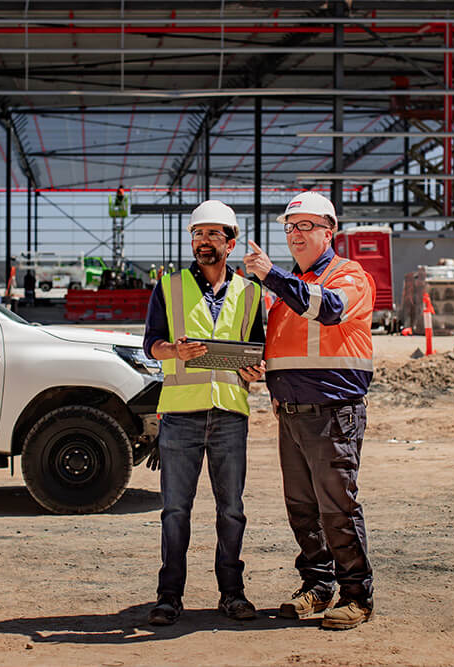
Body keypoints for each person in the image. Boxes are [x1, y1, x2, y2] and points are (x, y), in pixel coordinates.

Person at [242, 190, 376, 630]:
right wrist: (259, 369)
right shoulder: (282, 293)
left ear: (329, 231)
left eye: (306, 227)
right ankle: (317, 586)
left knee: (337, 506)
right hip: (292, 413)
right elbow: (283, 348)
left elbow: (328, 310)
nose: (296, 235)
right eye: (290, 227)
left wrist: (272, 276)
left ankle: (356, 595)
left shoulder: (348, 276)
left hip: (334, 411)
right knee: (301, 506)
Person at [143, 199, 266, 626]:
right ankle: (168, 596)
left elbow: (256, 351)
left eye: (214, 235)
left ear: (230, 243)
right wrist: (173, 350)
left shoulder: (251, 293)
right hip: (180, 415)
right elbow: (151, 344)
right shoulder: (170, 285)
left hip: (230, 414)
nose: (204, 242)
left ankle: (232, 594)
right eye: (198, 234)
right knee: (176, 510)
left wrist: (256, 368)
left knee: (231, 509)